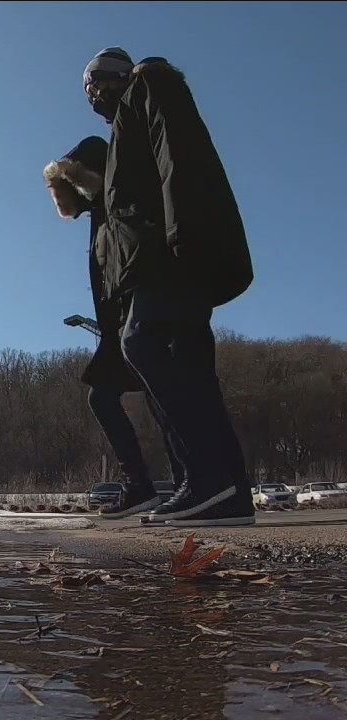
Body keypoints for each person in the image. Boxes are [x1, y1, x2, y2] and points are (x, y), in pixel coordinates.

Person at [79, 47, 255, 526]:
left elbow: (179, 154)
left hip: (174, 254)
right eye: (85, 89)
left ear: (116, 74)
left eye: (94, 81)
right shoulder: (118, 134)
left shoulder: (149, 81)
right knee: (187, 365)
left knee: (146, 343)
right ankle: (219, 490)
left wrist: (185, 238)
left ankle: (211, 481)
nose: (91, 93)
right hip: (156, 261)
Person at [44, 135, 185, 520]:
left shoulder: (125, 203)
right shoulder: (99, 218)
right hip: (116, 324)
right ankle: (140, 485)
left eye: (77, 184)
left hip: (141, 312)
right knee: (104, 397)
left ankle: (183, 479)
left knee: (159, 395)